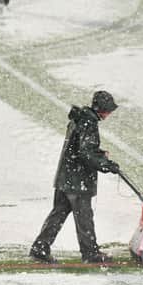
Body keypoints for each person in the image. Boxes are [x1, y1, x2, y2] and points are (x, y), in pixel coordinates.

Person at [29, 91, 121, 264]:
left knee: (58, 215)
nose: (109, 114)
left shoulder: (78, 119)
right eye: (108, 110)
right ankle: (90, 253)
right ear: (102, 110)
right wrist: (106, 165)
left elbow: (79, 149)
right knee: (84, 217)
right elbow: (86, 153)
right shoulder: (89, 123)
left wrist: (100, 154)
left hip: (66, 177)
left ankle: (40, 248)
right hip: (78, 181)